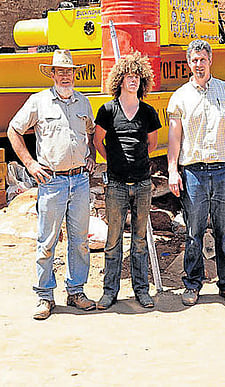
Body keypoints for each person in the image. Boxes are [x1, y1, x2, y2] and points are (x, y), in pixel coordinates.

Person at [7, 49, 98, 320]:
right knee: (47, 242)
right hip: (52, 183)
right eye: (60, 71)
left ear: (74, 73)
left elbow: (91, 133)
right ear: (53, 74)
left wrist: (91, 155)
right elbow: (14, 130)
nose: (65, 75)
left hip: (80, 181)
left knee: (80, 241)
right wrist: (30, 164)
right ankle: (45, 296)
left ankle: (76, 291)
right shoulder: (39, 102)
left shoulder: (84, 103)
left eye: (69, 71)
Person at [166, 39, 225, 306]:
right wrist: (172, 171)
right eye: (194, 60)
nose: (198, 64)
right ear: (188, 63)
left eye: (203, 59)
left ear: (210, 60)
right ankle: (192, 284)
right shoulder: (180, 97)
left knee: (224, 232)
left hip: (224, 171)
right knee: (194, 232)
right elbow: (175, 139)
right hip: (193, 174)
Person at [93, 53, 161, 310]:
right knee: (113, 241)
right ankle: (110, 292)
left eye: (137, 77)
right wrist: (113, 160)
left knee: (140, 240)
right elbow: (98, 141)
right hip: (117, 185)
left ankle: (141, 291)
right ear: (119, 80)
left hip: (143, 184)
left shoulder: (147, 112)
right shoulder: (108, 110)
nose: (132, 81)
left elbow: (151, 143)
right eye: (128, 77)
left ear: (142, 82)